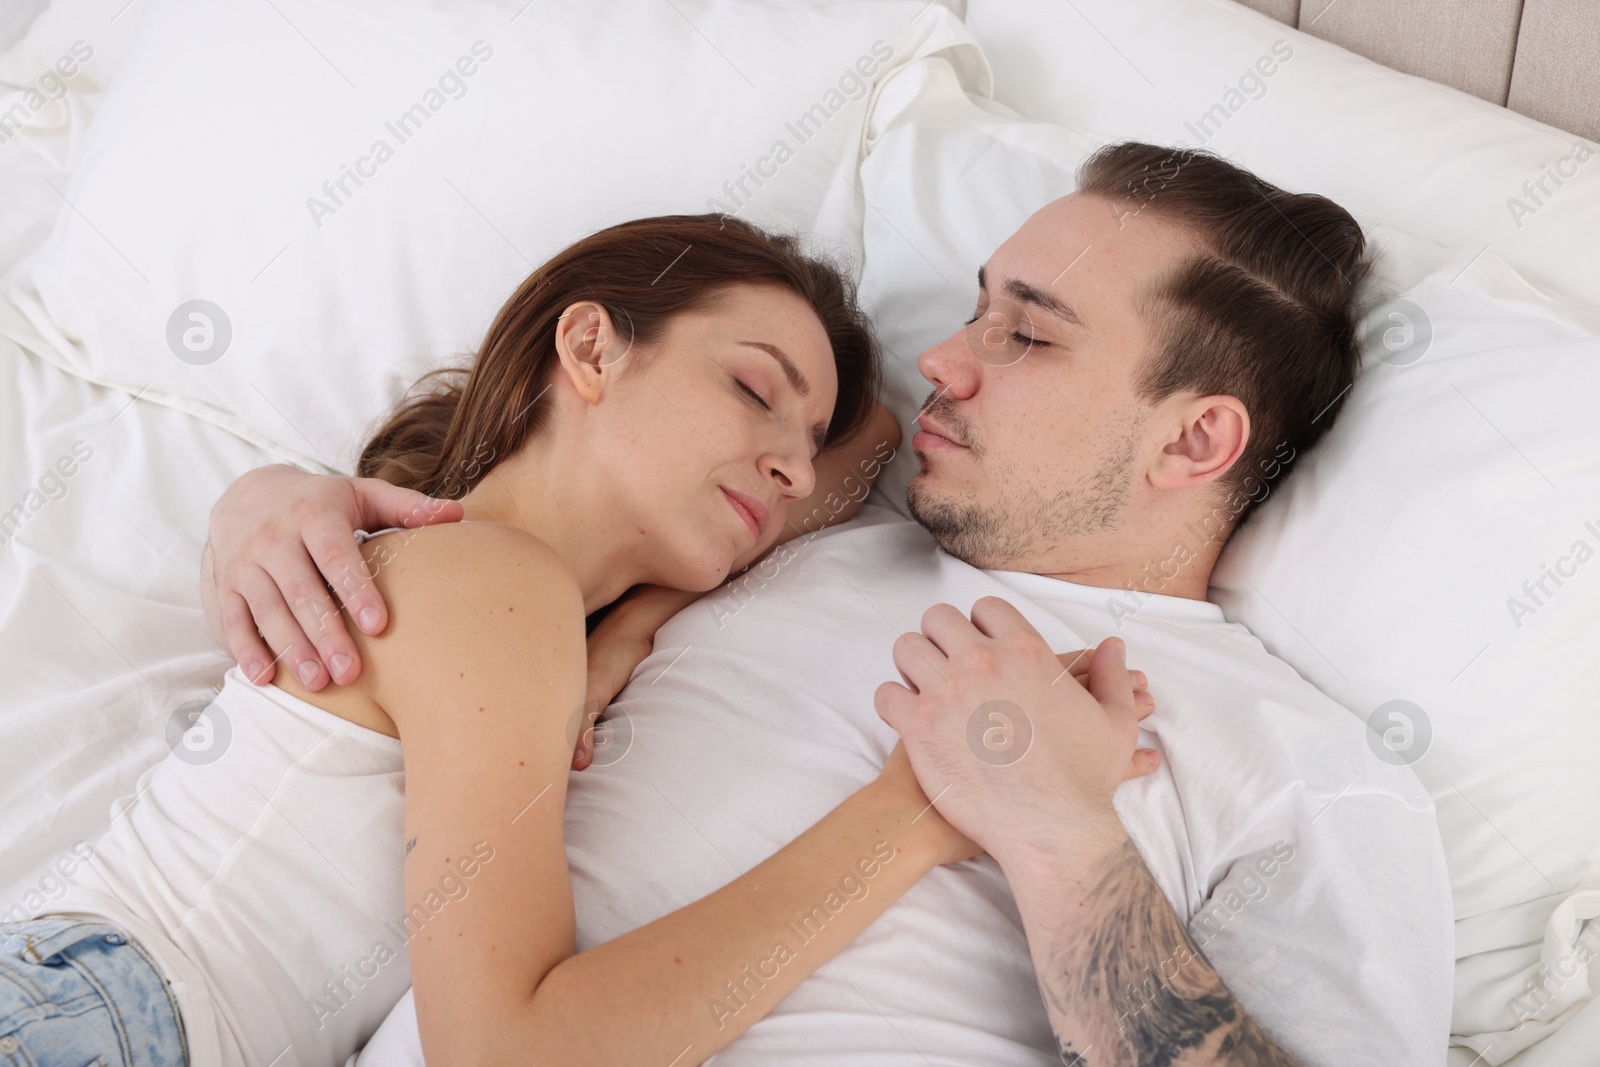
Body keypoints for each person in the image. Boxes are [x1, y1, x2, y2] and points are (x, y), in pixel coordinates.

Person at [206, 144, 1455, 1065]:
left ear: (1195, 441)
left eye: (1028, 336)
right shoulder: (812, 527)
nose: (943, 360)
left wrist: (1060, 838)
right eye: (974, 307)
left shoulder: (1298, 762)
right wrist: (268, 499)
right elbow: (605, 458)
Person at [0, 213, 1157, 1067]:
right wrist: (909, 818)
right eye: (756, 390)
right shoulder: (495, 587)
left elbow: (867, 444)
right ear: (592, 349)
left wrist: (637, 619)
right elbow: (509, 1048)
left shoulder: (503, 593)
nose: (794, 467)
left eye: (800, 440)